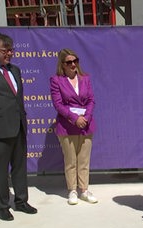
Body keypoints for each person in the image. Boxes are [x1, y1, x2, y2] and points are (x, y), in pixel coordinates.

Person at [0, 33, 37, 221]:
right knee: (0, 169)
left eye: (11, 50)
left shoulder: (15, 70)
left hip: (18, 126)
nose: (10, 53)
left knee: (20, 167)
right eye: (6, 50)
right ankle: (2, 206)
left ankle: (21, 202)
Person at [50, 48, 97, 205]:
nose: (73, 64)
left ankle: (84, 190)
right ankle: (72, 190)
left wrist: (86, 117)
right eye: (69, 62)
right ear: (62, 64)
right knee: (71, 161)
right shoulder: (56, 80)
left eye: (75, 61)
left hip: (86, 125)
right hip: (67, 126)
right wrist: (74, 118)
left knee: (84, 160)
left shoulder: (85, 78)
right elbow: (58, 104)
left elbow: (91, 100)